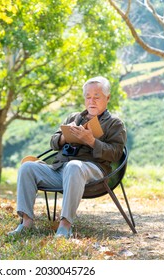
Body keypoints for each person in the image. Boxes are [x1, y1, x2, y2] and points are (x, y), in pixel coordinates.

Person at [8, 76, 127, 238]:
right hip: (62, 170)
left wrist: (91, 141)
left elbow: (116, 154)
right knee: (27, 167)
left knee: (74, 166)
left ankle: (65, 225)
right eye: (88, 97)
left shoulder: (115, 123)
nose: (92, 101)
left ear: (108, 98)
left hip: (93, 173)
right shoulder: (73, 118)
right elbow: (53, 142)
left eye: (97, 97)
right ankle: (26, 222)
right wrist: (65, 136)